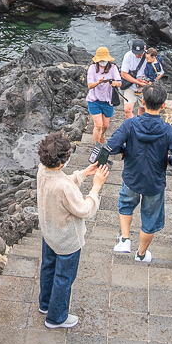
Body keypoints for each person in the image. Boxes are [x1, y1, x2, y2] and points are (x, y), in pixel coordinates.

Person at [35, 131, 110, 329]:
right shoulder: (63, 187)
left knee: (48, 268)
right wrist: (96, 188)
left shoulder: (43, 170)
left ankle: (45, 304)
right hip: (66, 239)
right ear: (61, 161)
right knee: (64, 278)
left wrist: (84, 173)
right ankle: (56, 317)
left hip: (49, 232)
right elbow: (84, 210)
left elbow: (62, 182)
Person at [106, 83, 172, 262]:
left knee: (126, 205)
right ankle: (141, 254)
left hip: (131, 177)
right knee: (150, 219)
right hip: (155, 182)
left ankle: (125, 240)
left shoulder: (130, 124)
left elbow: (110, 146)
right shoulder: (169, 131)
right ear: (163, 105)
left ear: (142, 102)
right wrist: (168, 161)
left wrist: (124, 150)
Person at [85, 47, 123, 145]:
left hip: (108, 100)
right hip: (94, 100)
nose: (103, 62)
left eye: (104, 60)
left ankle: (102, 135)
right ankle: (96, 147)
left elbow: (120, 83)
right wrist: (98, 82)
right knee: (98, 125)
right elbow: (89, 85)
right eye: (101, 60)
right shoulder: (92, 68)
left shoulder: (113, 68)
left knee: (105, 126)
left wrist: (114, 83)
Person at [120, 38, 150, 119]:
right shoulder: (128, 56)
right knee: (127, 109)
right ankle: (132, 125)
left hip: (145, 87)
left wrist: (147, 81)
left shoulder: (149, 56)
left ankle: (139, 125)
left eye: (140, 53)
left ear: (144, 49)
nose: (137, 55)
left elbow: (158, 72)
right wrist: (137, 82)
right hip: (131, 86)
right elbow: (124, 74)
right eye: (136, 53)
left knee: (143, 108)